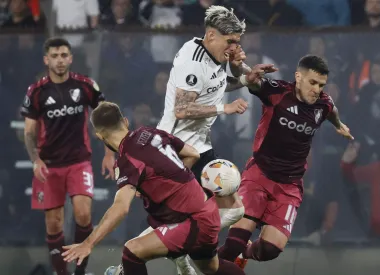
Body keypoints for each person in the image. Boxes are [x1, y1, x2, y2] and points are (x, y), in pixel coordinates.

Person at [61, 102, 247, 275]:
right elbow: (193, 154)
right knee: (211, 268)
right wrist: (166, 183)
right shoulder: (151, 133)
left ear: (99, 136)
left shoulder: (127, 162)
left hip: (192, 221)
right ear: (125, 121)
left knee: (132, 251)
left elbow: (121, 208)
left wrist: (88, 243)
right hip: (206, 210)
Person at [218, 55, 353, 268]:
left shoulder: (323, 104)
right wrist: (240, 69)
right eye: (312, 83)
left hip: (290, 186)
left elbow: (332, 111)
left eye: (321, 85)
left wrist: (339, 124)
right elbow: (249, 81)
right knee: (234, 242)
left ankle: (244, 255)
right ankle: (204, 265)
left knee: (270, 250)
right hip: (259, 175)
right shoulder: (277, 92)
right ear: (298, 77)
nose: (317, 89)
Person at [154, 5, 253, 274]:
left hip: (200, 145)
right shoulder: (195, 61)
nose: (234, 47)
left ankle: (179, 248)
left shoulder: (211, 56)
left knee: (233, 210)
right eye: (230, 41)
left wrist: (244, 77)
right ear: (211, 36)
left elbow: (217, 84)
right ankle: (158, 250)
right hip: (177, 149)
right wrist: (226, 108)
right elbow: (182, 109)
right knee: (211, 213)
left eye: (237, 42)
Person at [20, 37, 115, 275]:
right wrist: (36, 160)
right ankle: (61, 273)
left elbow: (105, 117)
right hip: (48, 166)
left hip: (79, 162)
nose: (60, 60)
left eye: (64, 55)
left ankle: (80, 271)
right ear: (46, 60)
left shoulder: (85, 85)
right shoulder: (36, 92)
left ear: (70, 58)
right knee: (54, 225)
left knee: (83, 215)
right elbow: (29, 133)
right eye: (55, 56)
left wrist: (108, 153)